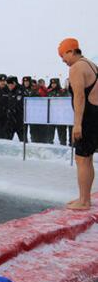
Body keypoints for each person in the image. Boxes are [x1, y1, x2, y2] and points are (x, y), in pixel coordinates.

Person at [58, 38, 98, 210]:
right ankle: (84, 197)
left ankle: (84, 201)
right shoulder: (91, 64)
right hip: (96, 114)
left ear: (71, 51)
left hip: (88, 117)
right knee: (87, 158)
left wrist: (77, 124)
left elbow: (79, 96)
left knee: (82, 159)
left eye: (63, 55)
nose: (63, 60)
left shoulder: (76, 67)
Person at [47, 78, 69, 145]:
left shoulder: (62, 92)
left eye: (54, 83)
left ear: (58, 83)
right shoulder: (49, 92)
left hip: (61, 116)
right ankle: (50, 145)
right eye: (52, 83)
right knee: (50, 134)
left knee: (62, 133)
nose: (53, 85)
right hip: (51, 116)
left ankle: (63, 145)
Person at [6, 76, 26, 142]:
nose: (9, 86)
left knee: (23, 140)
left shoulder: (21, 90)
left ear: (14, 83)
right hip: (10, 119)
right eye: (8, 85)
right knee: (8, 140)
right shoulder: (9, 91)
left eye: (11, 85)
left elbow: (20, 104)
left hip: (19, 119)